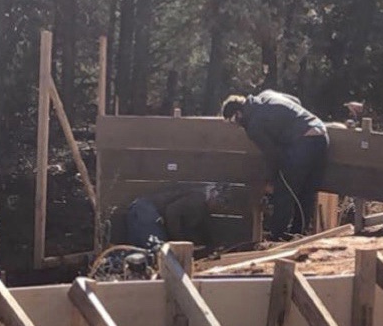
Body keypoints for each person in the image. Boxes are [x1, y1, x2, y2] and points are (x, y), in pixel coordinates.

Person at [222, 89, 330, 240]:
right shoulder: (267, 95)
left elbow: (272, 154)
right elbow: (296, 101)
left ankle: (278, 237)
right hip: (321, 135)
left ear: (238, 114)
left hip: (303, 141)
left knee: (284, 191)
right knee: (306, 192)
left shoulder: (254, 126)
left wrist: (273, 179)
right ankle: (299, 233)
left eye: (233, 121)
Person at [124, 183, 214, 249]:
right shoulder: (197, 197)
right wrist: (179, 242)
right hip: (146, 210)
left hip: (139, 209)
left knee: (139, 253)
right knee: (159, 250)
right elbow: (172, 211)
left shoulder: (197, 199)